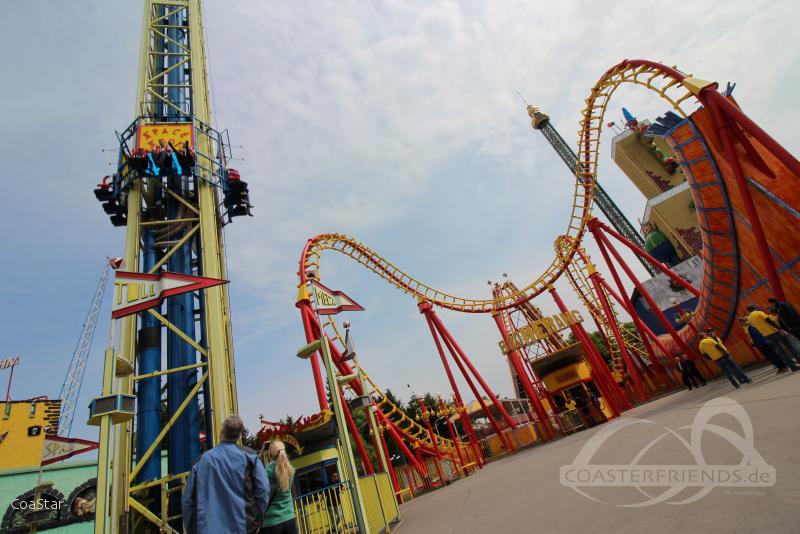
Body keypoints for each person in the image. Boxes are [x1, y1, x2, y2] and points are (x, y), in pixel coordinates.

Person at [182, 415, 269, 534]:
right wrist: (258, 518)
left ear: (221, 433)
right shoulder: (251, 458)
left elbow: (187, 500)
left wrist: (191, 528)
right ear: (239, 436)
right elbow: (263, 490)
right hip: (243, 527)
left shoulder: (200, 461)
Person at [746, 305, 800, 371]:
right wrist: (780, 329)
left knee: (780, 351)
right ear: (755, 308)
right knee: (789, 346)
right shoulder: (759, 313)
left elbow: (754, 327)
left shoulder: (749, 318)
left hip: (766, 335)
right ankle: (799, 360)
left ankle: (792, 367)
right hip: (774, 332)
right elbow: (769, 321)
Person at [261, 440, 298, 534]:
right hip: (290, 518)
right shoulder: (290, 470)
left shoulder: (267, 472)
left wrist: (260, 455)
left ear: (270, 454)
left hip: (272, 522)